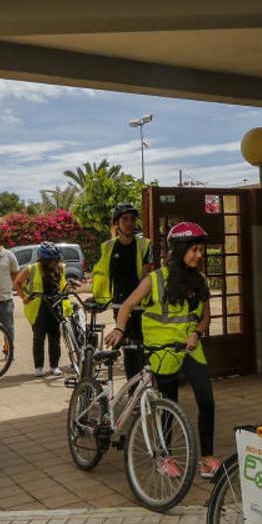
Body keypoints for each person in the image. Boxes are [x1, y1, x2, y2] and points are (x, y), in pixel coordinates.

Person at [104, 222, 221, 479]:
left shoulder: (199, 280)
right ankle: (164, 456)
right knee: (168, 404)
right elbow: (127, 305)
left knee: (207, 401)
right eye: (194, 250)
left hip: (190, 348)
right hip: (162, 351)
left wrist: (197, 332)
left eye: (201, 250)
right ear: (179, 250)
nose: (199, 256)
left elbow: (205, 317)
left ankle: (207, 458)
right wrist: (120, 330)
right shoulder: (155, 279)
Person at [90, 202, 153, 380]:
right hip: (120, 306)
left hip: (141, 306)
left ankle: (145, 392)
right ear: (117, 223)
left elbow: (147, 275)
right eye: (124, 219)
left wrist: (138, 299)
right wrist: (99, 298)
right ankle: (133, 393)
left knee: (143, 349)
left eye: (132, 219)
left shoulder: (145, 245)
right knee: (129, 351)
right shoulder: (108, 246)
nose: (129, 223)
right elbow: (102, 274)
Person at [15, 242, 69, 378]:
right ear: (43, 259)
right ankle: (38, 367)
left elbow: (63, 285)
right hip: (39, 307)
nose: (53, 262)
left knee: (55, 338)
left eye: (56, 259)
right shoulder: (32, 269)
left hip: (55, 306)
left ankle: (54, 366)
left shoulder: (60, 269)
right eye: (50, 260)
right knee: (38, 339)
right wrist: (24, 296)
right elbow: (17, 283)